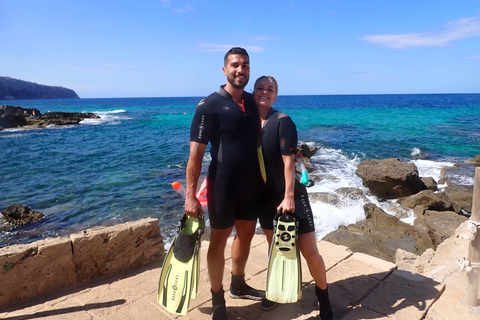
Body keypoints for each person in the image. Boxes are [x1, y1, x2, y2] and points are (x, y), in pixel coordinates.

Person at [185, 47, 265, 320]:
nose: (240, 70)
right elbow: (195, 153)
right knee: (218, 241)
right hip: (222, 185)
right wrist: (191, 195)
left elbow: (264, 135)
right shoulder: (209, 106)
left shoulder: (253, 102)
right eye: (235, 65)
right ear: (224, 70)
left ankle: (238, 283)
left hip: (250, 184)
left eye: (245, 65)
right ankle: (218, 298)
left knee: (245, 235)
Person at [254, 76, 334, 320]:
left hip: (292, 197)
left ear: (275, 96)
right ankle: (278, 289)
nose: (265, 92)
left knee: (310, 252)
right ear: (253, 93)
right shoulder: (247, 124)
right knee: (275, 249)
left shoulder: (283, 121)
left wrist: (289, 197)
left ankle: (323, 296)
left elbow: (289, 162)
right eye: (260, 88)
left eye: (270, 89)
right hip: (266, 199)